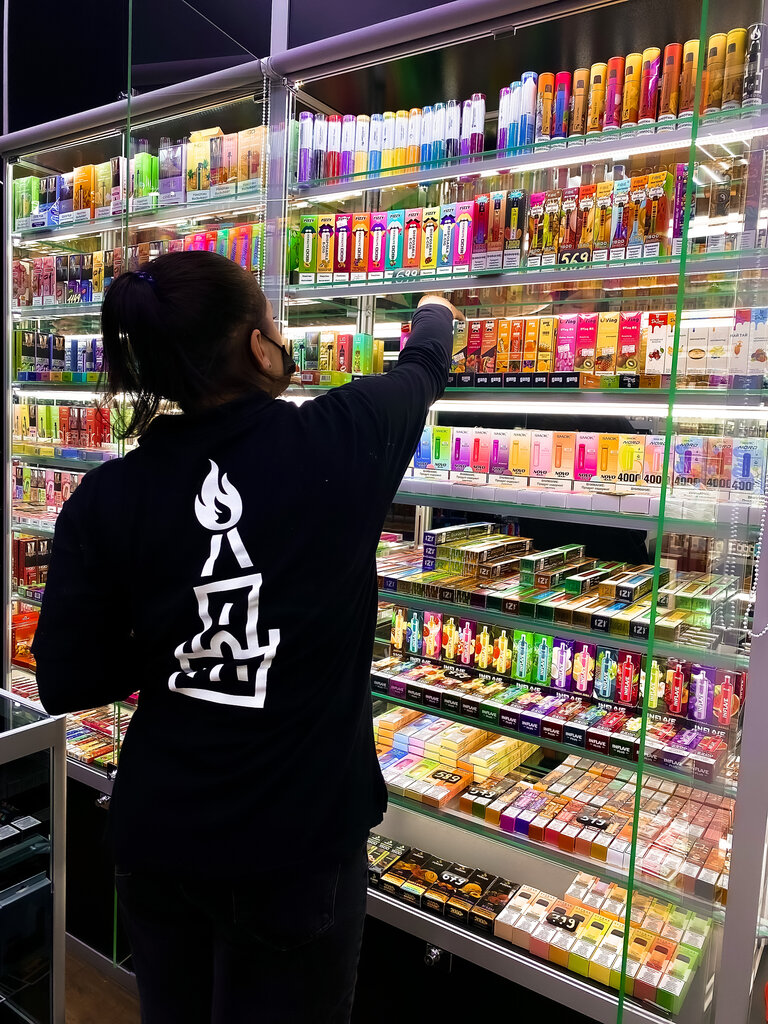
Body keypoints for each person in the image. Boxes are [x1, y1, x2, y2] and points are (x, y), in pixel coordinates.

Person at [32, 250, 460, 1024]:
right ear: (259, 347)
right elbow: (425, 364)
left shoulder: (106, 496)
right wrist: (434, 307)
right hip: (296, 847)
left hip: (160, 835)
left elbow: (65, 678)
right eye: (273, 322)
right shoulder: (342, 438)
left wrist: (185, 635)